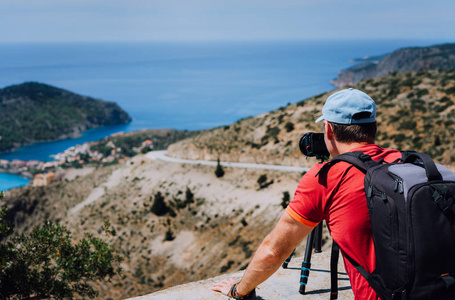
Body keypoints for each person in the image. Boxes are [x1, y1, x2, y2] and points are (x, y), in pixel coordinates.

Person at [211, 88, 402, 299]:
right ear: (374, 127)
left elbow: (273, 251)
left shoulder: (326, 177)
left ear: (328, 129)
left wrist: (238, 289)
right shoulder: (413, 164)